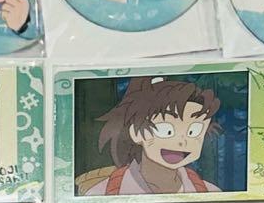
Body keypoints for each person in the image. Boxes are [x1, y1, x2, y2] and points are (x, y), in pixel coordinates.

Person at [79, 76, 220, 196]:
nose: (182, 142)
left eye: (193, 132)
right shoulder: (99, 193)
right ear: (136, 133)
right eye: (166, 131)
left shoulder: (211, 193)